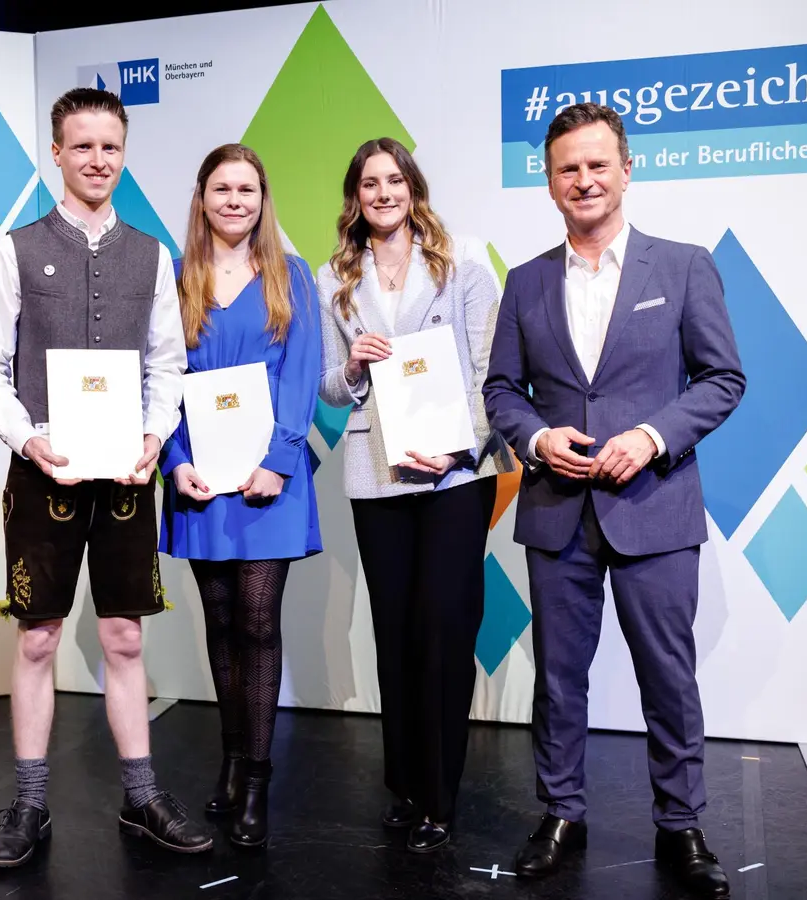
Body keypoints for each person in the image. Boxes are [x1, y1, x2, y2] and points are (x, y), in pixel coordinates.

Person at [482, 103, 745, 898]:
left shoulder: (685, 266)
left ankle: (681, 823)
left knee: (669, 674)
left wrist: (653, 437)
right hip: (558, 507)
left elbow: (723, 379)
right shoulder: (525, 281)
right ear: (550, 181)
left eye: (599, 165)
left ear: (628, 170)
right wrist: (534, 440)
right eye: (569, 168)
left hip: (655, 505)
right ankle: (561, 812)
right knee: (560, 677)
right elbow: (501, 388)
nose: (585, 180)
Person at [0, 86, 213, 868]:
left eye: (110, 146)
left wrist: (153, 432)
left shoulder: (152, 253)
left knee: (125, 635)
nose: (97, 159)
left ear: (123, 153)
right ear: (57, 154)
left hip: (129, 477)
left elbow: (167, 365)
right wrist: (29, 438)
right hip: (44, 476)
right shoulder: (14, 248)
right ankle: (30, 803)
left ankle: (141, 798)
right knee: (37, 640)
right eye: (82, 146)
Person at [317, 137, 512, 853]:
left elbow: (494, 372)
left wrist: (467, 448)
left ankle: (440, 794)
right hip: (378, 473)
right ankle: (403, 787)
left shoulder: (461, 261)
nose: (383, 192)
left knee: (444, 631)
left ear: (413, 187)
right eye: (369, 182)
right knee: (394, 635)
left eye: (394, 179)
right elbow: (328, 388)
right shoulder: (332, 276)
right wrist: (357, 367)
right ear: (355, 195)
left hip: (456, 474)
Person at [159, 143, 323, 849]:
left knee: (258, 622)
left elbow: (304, 372)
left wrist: (278, 460)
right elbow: (156, 379)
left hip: (269, 481)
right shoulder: (172, 278)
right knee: (221, 623)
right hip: (200, 478)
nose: (235, 200)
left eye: (247, 189)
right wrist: (173, 461)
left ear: (263, 199)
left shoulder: (293, 275)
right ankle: (230, 763)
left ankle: (257, 779)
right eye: (221, 188)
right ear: (201, 199)